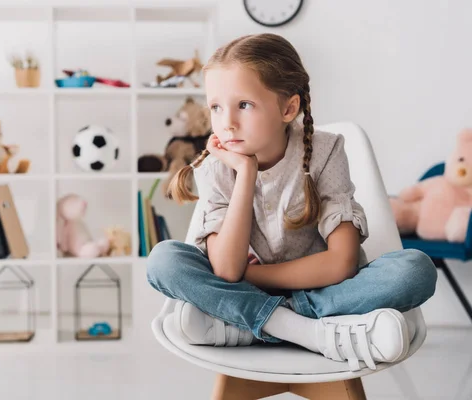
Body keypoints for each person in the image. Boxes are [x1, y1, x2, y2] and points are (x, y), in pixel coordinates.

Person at [146, 33, 438, 372]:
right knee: (164, 261)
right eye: (215, 107)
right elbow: (226, 269)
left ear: (289, 108)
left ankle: (252, 324)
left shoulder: (327, 151)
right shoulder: (217, 169)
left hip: (327, 289)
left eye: (244, 105)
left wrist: (252, 279)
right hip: (289, 296)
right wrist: (246, 173)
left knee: (414, 270)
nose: (227, 122)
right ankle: (311, 331)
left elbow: (341, 264)